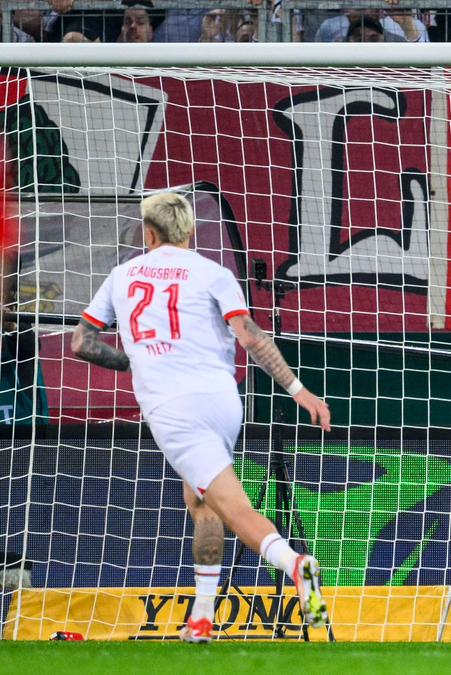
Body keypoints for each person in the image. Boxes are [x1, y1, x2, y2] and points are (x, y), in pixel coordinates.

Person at [71, 193, 331, 643]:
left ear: (148, 233)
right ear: (190, 232)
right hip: (223, 401)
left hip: (174, 409)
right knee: (202, 501)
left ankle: (296, 564)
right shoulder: (215, 272)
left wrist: (129, 360)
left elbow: (81, 342)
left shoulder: (121, 275)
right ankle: (202, 619)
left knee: (233, 507)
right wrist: (298, 388)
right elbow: (249, 336)